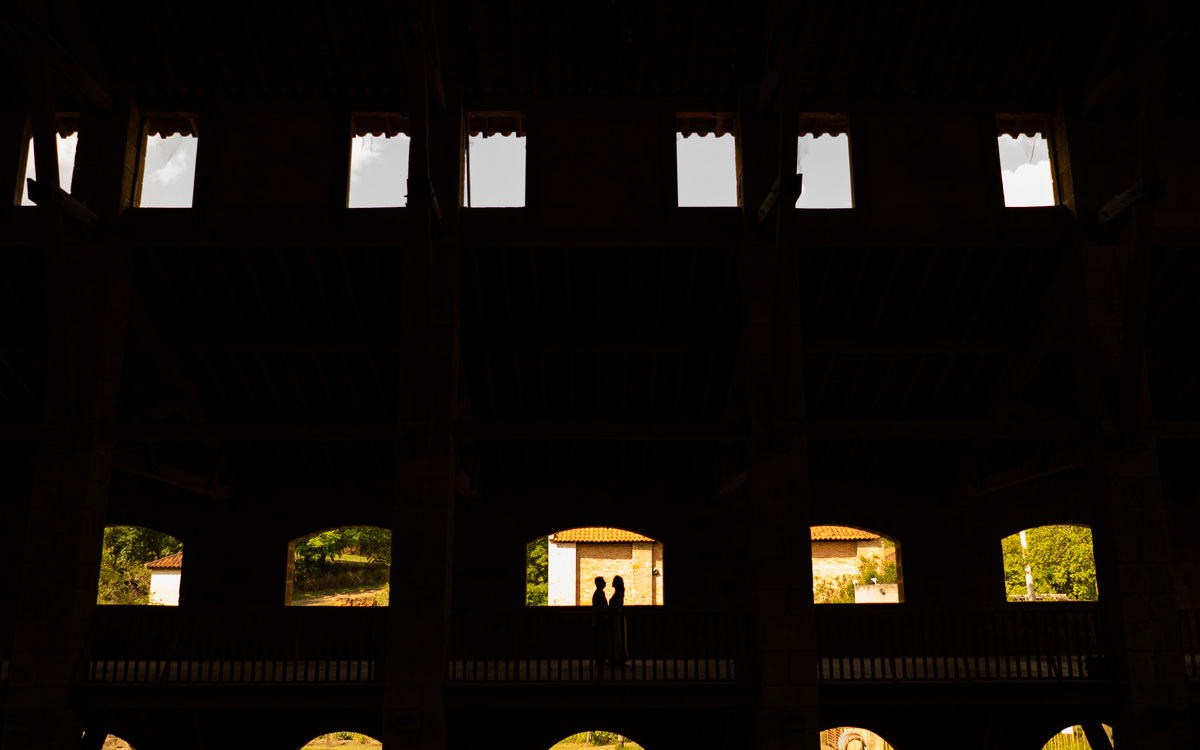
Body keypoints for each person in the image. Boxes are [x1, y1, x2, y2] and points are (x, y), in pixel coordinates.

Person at [608, 575, 628, 666]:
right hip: (617, 617)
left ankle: (617, 657)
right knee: (616, 637)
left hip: (617, 618)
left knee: (617, 637)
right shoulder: (618, 593)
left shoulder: (618, 594)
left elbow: (615, 606)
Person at [590, 576, 608, 666]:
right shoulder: (599, 594)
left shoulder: (598, 593)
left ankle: (599, 659)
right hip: (599, 621)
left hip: (599, 620)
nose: (605, 583)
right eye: (604, 581)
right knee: (600, 641)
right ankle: (599, 659)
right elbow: (601, 608)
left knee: (599, 640)